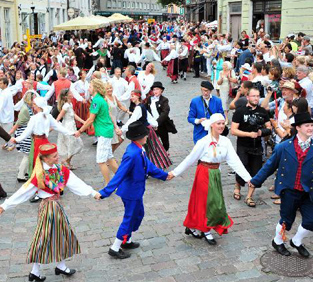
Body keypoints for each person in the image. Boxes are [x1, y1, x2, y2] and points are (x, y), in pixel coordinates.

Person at [0, 144, 100, 282]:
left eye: (57, 154)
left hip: (55, 207)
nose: (58, 157)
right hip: (48, 207)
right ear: (45, 159)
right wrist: (4, 206)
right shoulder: (40, 175)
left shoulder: (60, 170)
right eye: (54, 156)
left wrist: (92, 192)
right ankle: (39, 270)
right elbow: (23, 192)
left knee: (59, 235)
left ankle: (59, 266)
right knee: (44, 237)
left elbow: (75, 182)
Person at [250, 112, 313, 257]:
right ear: (298, 127)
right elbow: (270, 165)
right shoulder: (283, 147)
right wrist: (256, 180)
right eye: (307, 126)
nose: (311, 128)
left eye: (312, 125)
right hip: (289, 189)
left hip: (308, 191)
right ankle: (278, 241)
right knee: (287, 220)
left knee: (312, 221)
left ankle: (296, 241)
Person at [169, 114, 252, 245]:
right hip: (204, 172)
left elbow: (234, 161)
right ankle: (206, 230)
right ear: (212, 125)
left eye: (222, 123)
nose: (221, 126)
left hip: (216, 174)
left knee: (213, 201)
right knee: (205, 202)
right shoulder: (203, 142)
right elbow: (190, 159)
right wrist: (174, 172)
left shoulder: (225, 141)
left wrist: (247, 178)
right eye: (218, 123)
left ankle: (192, 226)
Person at [99, 121, 171, 260]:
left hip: (136, 190)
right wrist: (105, 192)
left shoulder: (139, 148)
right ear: (139, 137)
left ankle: (127, 240)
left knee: (139, 214)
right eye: (145, 135)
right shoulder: (132, 153)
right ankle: (115, 247)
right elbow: (120, 173)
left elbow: (148, 165)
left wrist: (163, 175)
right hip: (130, 192)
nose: (147, 137)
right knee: (130, 217)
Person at [230, 87, 271, 207]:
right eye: (253, 96)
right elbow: (233, 131)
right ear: (247, 97)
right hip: (243, 145)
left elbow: (269, 128)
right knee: (241, 167)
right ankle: (237, 186)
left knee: (255, 171)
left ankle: (249, 196)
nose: (256, 98)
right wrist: (249, 134)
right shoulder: (240, 111)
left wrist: (260, 133)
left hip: (257, 146)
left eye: (258, 96)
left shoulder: (263, 111)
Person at [77, 79, 122, 184]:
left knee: (101, 161)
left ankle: (108, 184)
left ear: (95, 88)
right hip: (106, 131)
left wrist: (80, 130)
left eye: (90, 87)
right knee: (109, 158)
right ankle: (122, 179)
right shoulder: (101, 99)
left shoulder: (96, 100)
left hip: (103, 132)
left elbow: (90, 119)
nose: (88, 88)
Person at [122, 90, 172, 170]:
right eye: (131, 96)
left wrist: (122, 129)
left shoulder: (139, 108)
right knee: (152, 148)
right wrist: (155, 124)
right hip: (148, 129)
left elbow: (132, 120)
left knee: (146, 150)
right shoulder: (141, 106)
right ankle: (155, 166)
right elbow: (149, 117)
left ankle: (149, 168)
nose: (131, 98)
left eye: (133, 96)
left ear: (138, 96)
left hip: (144, 131)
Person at [9, 90, 35, 182]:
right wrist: (8, 135)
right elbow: (18, 124)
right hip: (24, 134)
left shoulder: (27, 108)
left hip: (25, 133)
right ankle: (21, 175)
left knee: (27, 155)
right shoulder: (25, 109)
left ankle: (22, 171)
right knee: (27, 155)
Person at [55, 89, 84, 169]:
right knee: (72, 145)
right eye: (70, 93)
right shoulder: (66, 106)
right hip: (68, 127)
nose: (72, 94)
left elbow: (74, 115)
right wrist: (53, 125)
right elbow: (59, 117)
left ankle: (67, 162)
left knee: (76, 144)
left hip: (72, 125)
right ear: (66, 96)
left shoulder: (70, 104)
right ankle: (65, 162)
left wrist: (83, 122)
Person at [147, 81, 174, 152]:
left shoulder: (164, 100)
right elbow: (146, 109)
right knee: (152, 141)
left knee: (165, 142)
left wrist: (157, 123)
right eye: (154, 89)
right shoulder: (150, 99)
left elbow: (165, 113)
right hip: (152, 124)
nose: (155, 91)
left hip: (162, 124)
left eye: (157, 89)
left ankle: (165, 154)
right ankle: (155, 156)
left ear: (161, 90)